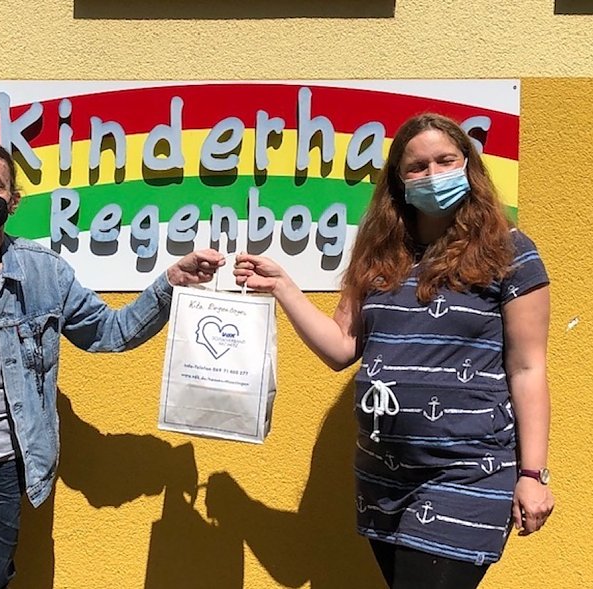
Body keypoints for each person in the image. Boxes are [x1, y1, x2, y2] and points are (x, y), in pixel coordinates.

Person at [0, 136, 224, 589]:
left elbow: (110, 333)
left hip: (2, 459)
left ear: (13, 201)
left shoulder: (45, 273)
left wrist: (170, 283)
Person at [233, 113, 554, 589]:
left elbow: (527, 368)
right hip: (383, 481)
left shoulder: (509, 251)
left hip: (466, 474)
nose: (432, 175)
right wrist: (283, 288)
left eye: (445, 161)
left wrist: (533, 473)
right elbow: (343, 348)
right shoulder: (379, 254)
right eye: (417, 167)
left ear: (468, 164)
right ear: (399, 181)